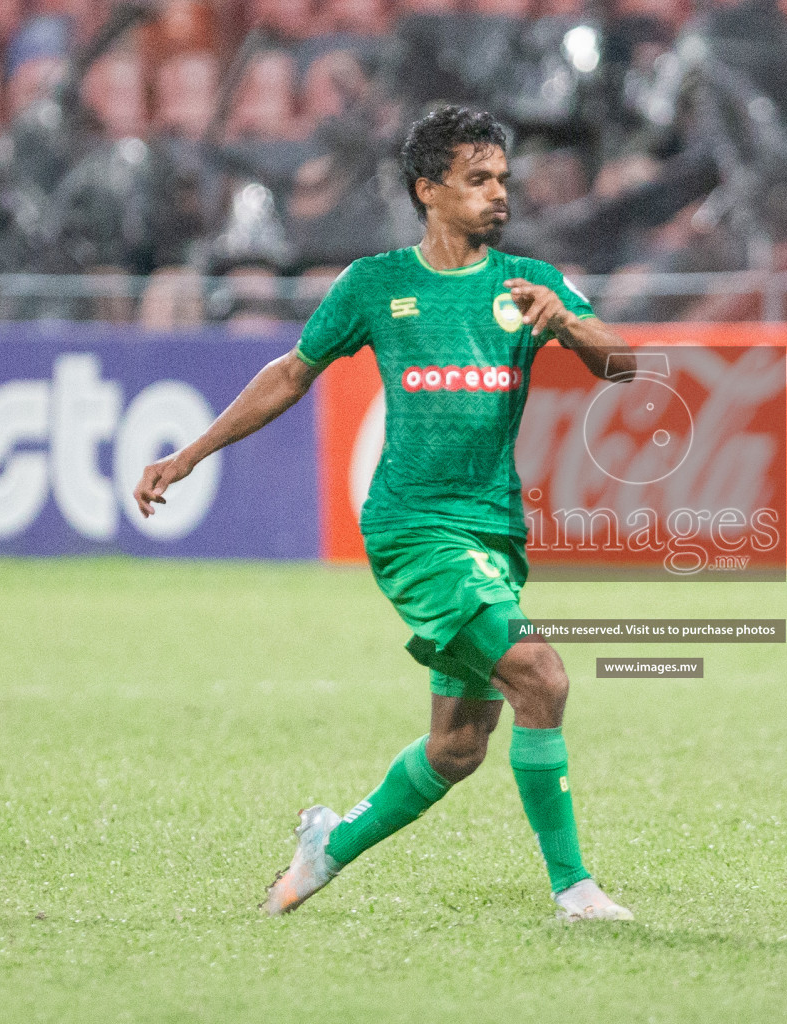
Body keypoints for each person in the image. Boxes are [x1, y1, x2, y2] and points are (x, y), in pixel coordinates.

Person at [133, 105, 638, 923]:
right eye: (478, 180)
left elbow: (627, 366)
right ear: (428, 190)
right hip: (413, 530)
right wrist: (189, 455)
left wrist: (570, 324)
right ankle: (574, 889)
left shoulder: (529, 284)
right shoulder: (374, 285)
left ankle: (327, 846)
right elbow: (292, 374)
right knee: (540, 677)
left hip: (494, 534)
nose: (498, 194)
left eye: (503, 179)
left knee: (456, 748)